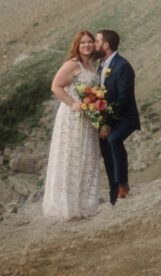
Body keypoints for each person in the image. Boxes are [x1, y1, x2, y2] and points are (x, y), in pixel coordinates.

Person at [41, 30, 102, 219]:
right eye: (83, 42)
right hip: (72, 116)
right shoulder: (72, 64)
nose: (87, 45)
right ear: (77, 45)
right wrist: (73, 103)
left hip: (88, 118)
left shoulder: (91, 66)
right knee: (70, 156)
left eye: (90, 42)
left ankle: (84, 204)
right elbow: (55, 86)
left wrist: (95, 106)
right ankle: (66, 206)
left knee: (87, 156)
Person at [95, 29, 140, 205]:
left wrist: (108, 123)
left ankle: (123, 184)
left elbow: (123, 99)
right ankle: (113, 187)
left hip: (125, 117)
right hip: (107, 116)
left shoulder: (123, 66)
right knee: (104, 145)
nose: (94, 45)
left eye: (97, 41)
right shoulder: (101, 64)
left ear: (106, 45)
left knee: (113, 139)